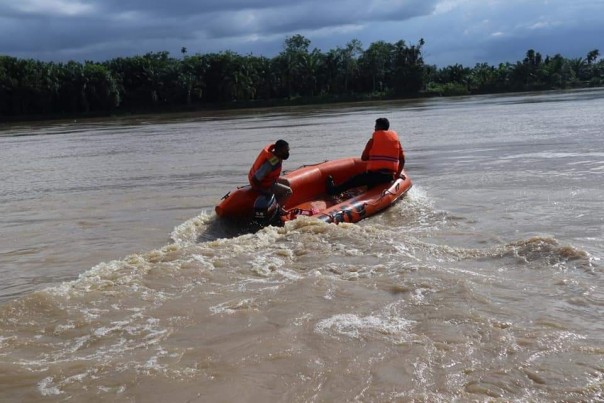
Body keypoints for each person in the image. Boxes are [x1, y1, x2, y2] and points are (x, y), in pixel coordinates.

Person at [327, 117, 405, 195]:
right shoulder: (396, 141)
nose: (374, 128)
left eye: (376, 126)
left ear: (379, 127)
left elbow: (363, 158)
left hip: (374, 175)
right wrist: (397, 174)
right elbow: (402, 159)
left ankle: (333, 191)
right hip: (389, 177)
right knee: (370, 184)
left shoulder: (372, 141)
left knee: (353, 180)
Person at [248, 139, 293, 207]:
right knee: (288, 191)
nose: (287, 152)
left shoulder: (275, 157)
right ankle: (277, 209)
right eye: (285, 150)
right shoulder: (272, 163)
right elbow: (255, 179)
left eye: (288, 150)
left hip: (268, 180)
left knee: (286, 182)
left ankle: (278, 202)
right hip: (263, 184)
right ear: (278, 151)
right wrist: (264, 192)